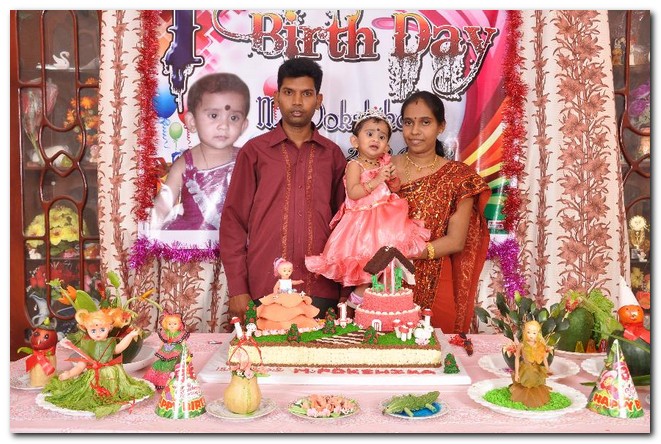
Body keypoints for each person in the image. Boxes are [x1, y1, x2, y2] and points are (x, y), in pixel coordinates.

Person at [220, 58, 348, 322]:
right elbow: (233, 222)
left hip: (322, 288)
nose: (297, 102)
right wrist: (238, 288)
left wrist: (347, 290)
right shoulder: (255, 152)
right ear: (277, 98)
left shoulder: (332, 155)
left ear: (319, 100)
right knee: (263, 351)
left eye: (306, 94)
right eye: (289, 93)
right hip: (265, 288)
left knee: (322, 350)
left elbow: (347, 226)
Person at [305, 107, 430, 305]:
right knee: (366, 265)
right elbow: (354, 192)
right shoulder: (355, 165)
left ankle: (380, 302)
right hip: (362, 224)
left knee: (386, 262)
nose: (375, 140)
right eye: (369, 134)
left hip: (386, 222)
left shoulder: (383, 164)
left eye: (381, 137)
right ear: (355, 141)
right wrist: (377, 179)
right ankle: (357, 300)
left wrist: (392, 178)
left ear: (387, 146)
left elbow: (394, 188)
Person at [391, 90, 491, 334]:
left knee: (437, 346)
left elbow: (456, 241)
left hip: (436, 277)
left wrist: (411, 253)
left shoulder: (458, 177)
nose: (415, 131)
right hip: (388, 276)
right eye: (408, 122)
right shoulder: (385, 168)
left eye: (425, 122)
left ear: (441, 126)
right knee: (385, 346)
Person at [151, 73, 250, 231]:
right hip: (192, 242)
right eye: (214, 115)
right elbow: (163, 205)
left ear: (243, 126)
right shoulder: (185, 164)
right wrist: (150, 235)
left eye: (234, 118)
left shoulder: (247, 159)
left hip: (237, 240)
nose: (223, 126)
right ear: (192, 122)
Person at [42, 308, 154, 418]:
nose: (98, 334)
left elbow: (119, 348)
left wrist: (130, 336)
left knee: (115, 392)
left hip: (112, 375)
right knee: (91, 394)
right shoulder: (87, 346)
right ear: (87, 330)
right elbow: (81, 365)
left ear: (109, 328)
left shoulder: (110, 342)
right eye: (93, 331)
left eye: (102, 329)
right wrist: (70, 374)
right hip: (93, 378)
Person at [143, 312, 190, 390]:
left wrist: (186, 350)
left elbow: (183, 343)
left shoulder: (180, 334)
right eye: (169, 324)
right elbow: (163, 342)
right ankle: (159, 379)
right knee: (161, 363)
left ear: (179, 324)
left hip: (176, 351)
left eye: (175, 324)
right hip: (166, 350)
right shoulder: (165, 333)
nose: (172, 326)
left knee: (173, 364)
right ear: (166, 324)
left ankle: (173, 378)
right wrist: (160, 349)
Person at [510, 320, 551, 408]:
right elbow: (517, 358)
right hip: (525, 369)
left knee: (536, 385)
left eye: (534, 333)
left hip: (536, 369)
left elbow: (544, 358)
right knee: (525, 384)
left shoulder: (539, 345)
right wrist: (516, 373)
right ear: (525, 332)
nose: (531, 335)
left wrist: (547, 369)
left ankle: (534, 399)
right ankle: (524, 399)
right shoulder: (522, 345)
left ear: (538, 334)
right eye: (528, 332)